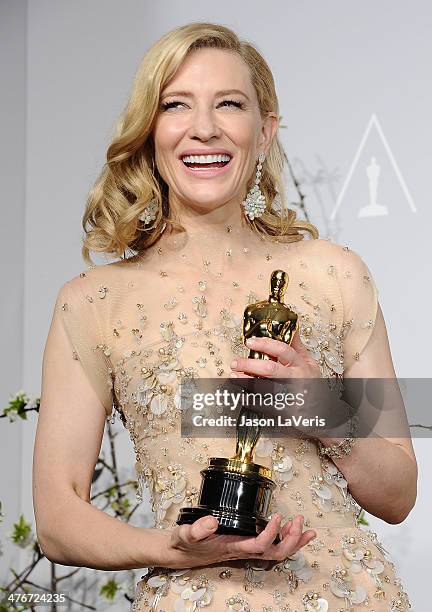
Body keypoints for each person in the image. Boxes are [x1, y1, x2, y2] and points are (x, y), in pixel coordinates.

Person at [33, 22, 417, 612]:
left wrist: (326, 410)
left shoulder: (333, 274)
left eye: (229, 104)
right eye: (176, 105)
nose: (204, 127)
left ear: (263, 132)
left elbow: (399, 494)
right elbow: (58, 519)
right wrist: (175, 549)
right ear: (149, 132)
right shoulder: (93, 302)